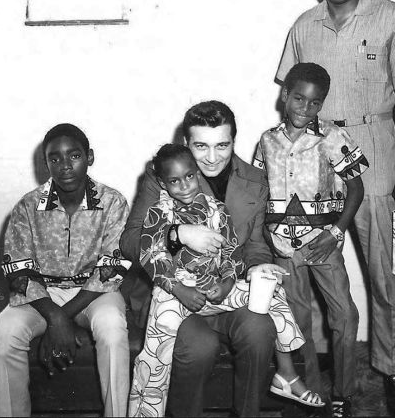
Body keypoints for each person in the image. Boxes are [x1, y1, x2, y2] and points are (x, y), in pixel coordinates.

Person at [274, 0, 395, 417]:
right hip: (316, 163)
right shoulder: (303, 26)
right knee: (314, 271)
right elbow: (293, 103)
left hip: (378, 156)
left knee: (386, 278)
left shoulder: (391, 17)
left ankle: (393, 370)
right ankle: (316, 372)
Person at [128, 144, 322, 417]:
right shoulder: (158, 213)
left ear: (197, 173)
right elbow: (151, 256)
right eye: (174, 181)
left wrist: (229, 282)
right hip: (173, 291)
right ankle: (145, 412)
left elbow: (232, 251)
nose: (184, 186)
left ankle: (286, 374)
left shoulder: (217, 209)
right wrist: (179, 289)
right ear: (163, 183)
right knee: (155, 353)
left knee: (271, 291)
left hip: (214, 287)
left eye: (189, 176)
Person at [120, 101, 287, 417]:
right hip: (172, 294)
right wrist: (178, 233)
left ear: (234, 141)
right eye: (201, 146)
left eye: (222, 145)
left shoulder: (255, 179)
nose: (212, 157)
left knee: (259, 328)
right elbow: (129, 243)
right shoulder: (164, 175)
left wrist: (257, 267)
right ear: (186, 143)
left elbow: (254, 245)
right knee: (200, 347)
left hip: (226, 289)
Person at [0, 123, 132, 417]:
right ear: (46, 164)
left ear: (90, 157)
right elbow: (18, 272)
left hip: (94, 294)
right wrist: (54, 315)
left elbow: (112, 268)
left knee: (113, 329)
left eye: (75, 156)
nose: (65, 166)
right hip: (42, 295)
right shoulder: (27, 207)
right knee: (4, 333)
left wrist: (60, 321)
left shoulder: (113, 202)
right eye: (55, 158)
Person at [255, 62, 369, 417]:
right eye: (299, 99)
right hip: (283, 249)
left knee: (345, 316)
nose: (306, 108)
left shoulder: (333, 137)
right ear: (285, 95)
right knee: (296, 321)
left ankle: (343, 392)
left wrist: (335, 232)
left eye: (315, 102)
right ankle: (312, 392)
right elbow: (260, 193)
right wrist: (264, 237)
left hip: (322, 244)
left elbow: (356, 187)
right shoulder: (267, 140)